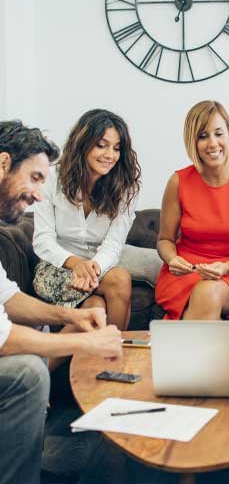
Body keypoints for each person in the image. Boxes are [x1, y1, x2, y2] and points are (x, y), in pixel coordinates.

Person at [0, 120, 122, 484]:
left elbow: (9, 298)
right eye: (35, 178)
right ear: (3, 164)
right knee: (27, 372)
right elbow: (2, 338)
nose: (39, 195)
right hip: (59, 270)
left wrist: (70, 316)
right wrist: (86, 342)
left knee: (35, 344)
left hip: (89, 273)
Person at [32, 109, 141, 344]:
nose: (110, 155)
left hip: (99, 267)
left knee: (96, 306)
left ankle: (47, 364)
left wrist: (92, 268)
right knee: (120, 280)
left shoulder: (126, 187)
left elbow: (113, 244)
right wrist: (76, 264)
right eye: (102, 145)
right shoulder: (51, 177)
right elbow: (42, 241)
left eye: (117, 148)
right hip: (56, 267)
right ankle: (114, 356)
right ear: (83, 143)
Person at [155, 100, 229, 320]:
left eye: (218, 133)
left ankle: (179, 342)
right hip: (185, 273)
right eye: (203, 136)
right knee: (205, 295)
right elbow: (164, 240)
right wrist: (172, 259)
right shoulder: (178, 181)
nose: (213, 143)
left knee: (208, 291)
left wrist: (228, 267)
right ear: (192, 142)